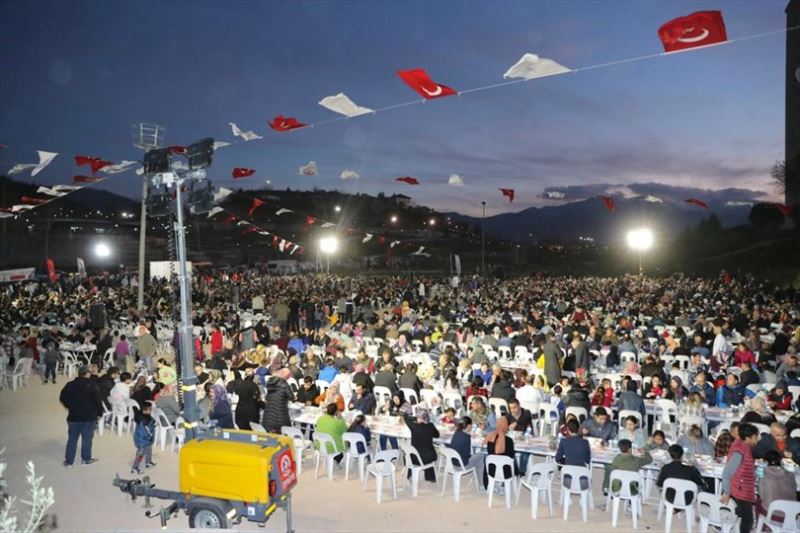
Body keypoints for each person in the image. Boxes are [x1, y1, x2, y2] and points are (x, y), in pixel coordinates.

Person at [720, 423, 761, 533]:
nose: (757, 439)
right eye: (755, 436)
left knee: (743, 518)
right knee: (748, 521)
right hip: (740, 490)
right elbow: (727, 473)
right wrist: (726, 493)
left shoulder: (741, 445)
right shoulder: (740, 451)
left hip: (741, 487)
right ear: (747, 438)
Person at [59, 366, 102, 467]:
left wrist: (69, 406)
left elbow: (62, 398)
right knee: (87, 439)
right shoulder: (92, 385)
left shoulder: (69, 385)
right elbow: (98, 401)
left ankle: (69, 462)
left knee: (72, 439)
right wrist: (99, 413)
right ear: (87, 374)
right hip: (89, 417)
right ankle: (86, 459)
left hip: (73, 416)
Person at [756, 450, 798, 518]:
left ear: (766, 462)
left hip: (773, 515)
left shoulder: (764, 476)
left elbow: (762, 497)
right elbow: (794, 492)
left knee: (758, 502)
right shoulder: (791, 475)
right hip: (791, 515)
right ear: (781, 462)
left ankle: (761, 523)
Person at [404, 408, 439, 483]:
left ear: (419, 418)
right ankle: (430, 477)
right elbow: (437, 435)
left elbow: (406, 419)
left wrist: (406, 412)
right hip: (428, 457)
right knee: (428, 453)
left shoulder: (414, 427)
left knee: (408, 455)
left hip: (414, 458)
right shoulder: (430, 426)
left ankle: (409, 475)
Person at [555, 418, 591, 490]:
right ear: (579, 429)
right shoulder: (585, 442)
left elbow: (557, 458)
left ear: (568, 429)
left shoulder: (563, 441)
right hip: (582, 479)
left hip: (568, 478)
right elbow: (588, 460)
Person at [483, 415, 516, 489]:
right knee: (513, 461)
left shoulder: (490, 437)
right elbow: (511, 456)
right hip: (505, 471)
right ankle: (505, 484)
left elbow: (490, 452)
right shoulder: (509, 440)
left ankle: (488, 485)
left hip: (491, 469)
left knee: (486, 458)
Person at [262, 368, 294, 433]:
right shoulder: (285, 385)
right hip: (280, 415)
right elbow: (291, 397)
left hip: (268, 416)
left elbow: (267, 397)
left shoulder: (270, 383)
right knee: (284, 434)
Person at [131, 402, 156, 475]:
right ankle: (135, 468)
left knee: (148, 450)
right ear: (144, 411)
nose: (151, 411)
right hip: (142, 440)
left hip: (144, 439)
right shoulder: (144, 421)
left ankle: (148, 462)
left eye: (151, 409)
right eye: (149, 410)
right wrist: (150, 436)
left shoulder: (143, 417)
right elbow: (146, 431)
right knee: (140, 455)